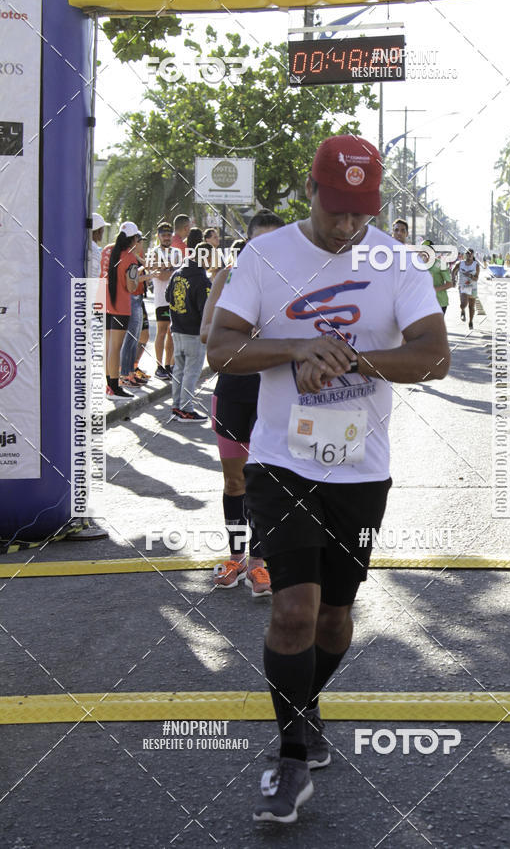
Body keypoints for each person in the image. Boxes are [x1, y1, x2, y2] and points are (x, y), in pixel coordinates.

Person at [207, 134, 450, 824]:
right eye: (336, 209)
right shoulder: (267, 255)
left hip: (360, 471)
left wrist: (353, 361)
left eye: (361, 212)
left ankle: (305, 703)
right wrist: (295, 349)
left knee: (336, 617)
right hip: (282, 461)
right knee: (293, 611)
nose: (347, 226)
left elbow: (434, 357)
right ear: (310, 192)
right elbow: (223, 348)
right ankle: (288, 758)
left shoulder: (397, 263)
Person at [200, 210, 285, 598]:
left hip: (277, 394)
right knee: (235, 482)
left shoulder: (294, 285)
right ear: (247, 244)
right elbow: (206, 333)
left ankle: (259, 563)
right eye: (258, 243)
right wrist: (246, 333)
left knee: (268, 483)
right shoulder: (226, 278)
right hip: (234, 391)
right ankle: (236, 557)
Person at [166, 227, 211, 421]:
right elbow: (206, 311)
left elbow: (169, 297)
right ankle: (186, 408)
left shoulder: (177, 274)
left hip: (177, 329)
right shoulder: (202, 281)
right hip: (194, 332)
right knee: (191, 373)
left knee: (179, 370)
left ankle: (177, 406)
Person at [100, 221, 143, 398]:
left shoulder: (106, 250)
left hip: (104, 302)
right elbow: (132, 287)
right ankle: (114, 387)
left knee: (109, 347)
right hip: (120, 305)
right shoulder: (130, 258)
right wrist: (140, 272)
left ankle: (110, 385)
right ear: (133, 239)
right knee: (115, 348)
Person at [119, 231, 156, 389]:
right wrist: (148, 276)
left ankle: (130, 372)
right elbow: (131, 281)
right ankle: (125, 374)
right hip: (132, 298)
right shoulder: (128, 256)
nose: (142, 244)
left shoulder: (134, 256)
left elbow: (142, 268)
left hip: (137, 297)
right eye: (140, 241)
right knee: (130, 339)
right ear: (134, 241)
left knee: (134, 339)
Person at [149, 222, 176, 380]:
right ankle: (159, 366)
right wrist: (170, 269)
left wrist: (167, 268)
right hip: (161, 300)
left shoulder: (177, 252)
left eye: (168, 234)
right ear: (158, 236)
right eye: (163, 235)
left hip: (174, 300)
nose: (166, 237)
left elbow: (169, 273)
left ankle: (168, 365)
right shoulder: (154, 252)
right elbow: (162, 275)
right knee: (161, 332)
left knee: (171, 333)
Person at [420, 240, 453, 315]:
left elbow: (450, 284)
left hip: (440, 302)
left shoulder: (441, 264)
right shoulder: (419, 265)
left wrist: (434, 289)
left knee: (435, 327)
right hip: (424, 303)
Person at [453, 248, 479, 328]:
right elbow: (453, 271)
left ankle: (470, 321)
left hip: (473, 287)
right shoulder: (460, 264)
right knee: (463, 304)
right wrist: (453, 279)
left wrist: (470, 276)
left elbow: (476, 278)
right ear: (465, 254)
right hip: (463, 286)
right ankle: (462, 310)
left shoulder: (476, 265)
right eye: (467, 253)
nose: (469, 255)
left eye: (471, 253)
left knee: (471, 306)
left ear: (473, 255)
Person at [90, 212, 109, 279]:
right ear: (99, 230)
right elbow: (93, 278)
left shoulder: (86, 246)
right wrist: (101, 289)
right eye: (103, 229)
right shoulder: (94, 250)